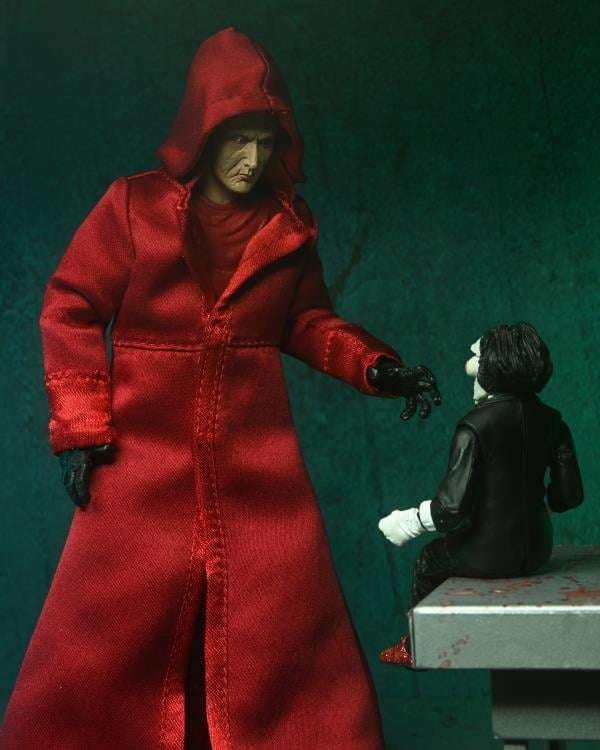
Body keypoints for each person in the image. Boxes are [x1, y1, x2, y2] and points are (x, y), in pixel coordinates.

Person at [3, 27, 441, 748]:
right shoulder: (133, 209)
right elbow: (71, 305)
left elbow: (306, 321)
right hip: (140, 465)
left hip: (256, 470)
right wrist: (80, 428)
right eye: (238, 139)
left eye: (266, 142)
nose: (252, 159)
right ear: (202, 133)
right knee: (110, 635)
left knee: (275, 631)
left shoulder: (286, 226)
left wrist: (374, 365)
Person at [378, 322, 584, 668]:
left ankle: (419, 646)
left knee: (429, 562)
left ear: (494, 364)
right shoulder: (553, 421)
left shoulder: (474, 426)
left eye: (476, 357)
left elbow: (451, 510)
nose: (470, 365)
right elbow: (569, 497)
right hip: (537, 550)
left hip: (487, 555)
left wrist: (409, 521)